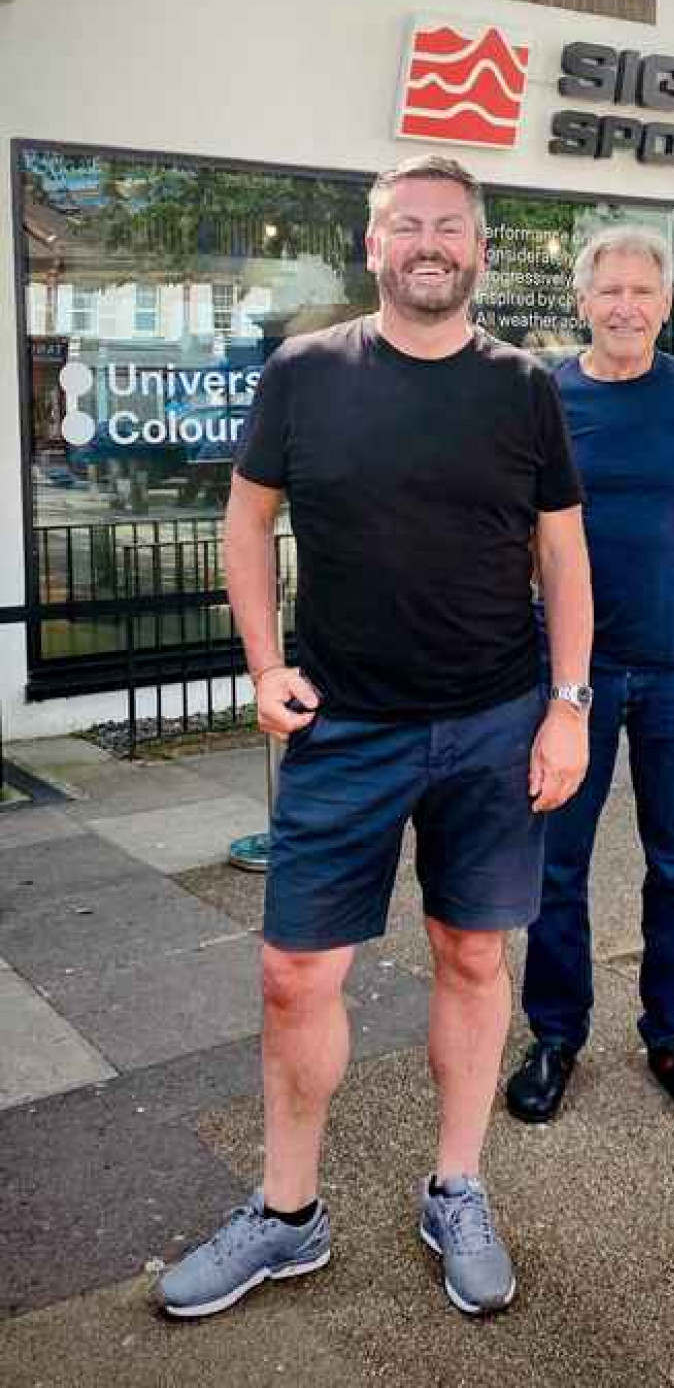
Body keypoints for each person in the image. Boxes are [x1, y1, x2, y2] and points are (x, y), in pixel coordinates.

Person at [157, 156, 593, 1320]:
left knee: (471, 956)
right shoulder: (304, 372)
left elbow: (564, 554)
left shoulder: (524, 388)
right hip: (344, 724)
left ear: (482, 251)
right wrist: (261, 665)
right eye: (407, 225)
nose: (429, 243)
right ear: (374, 246)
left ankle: (456, 1186)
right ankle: (287, 1214)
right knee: (295, 971)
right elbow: (245, 523)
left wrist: (568, 704)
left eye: (451, 226)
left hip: (498, 721)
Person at [505, 225, 674, 1128]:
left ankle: (673, 1034)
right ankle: (556, 1035)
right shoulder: (544, 396)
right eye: (610, 290)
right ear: (581, 301)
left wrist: (662, 598)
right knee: (556, 866)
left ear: (666, 303)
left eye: (644, 291)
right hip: (573, 675)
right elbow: (528, 529)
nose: (626, 307)